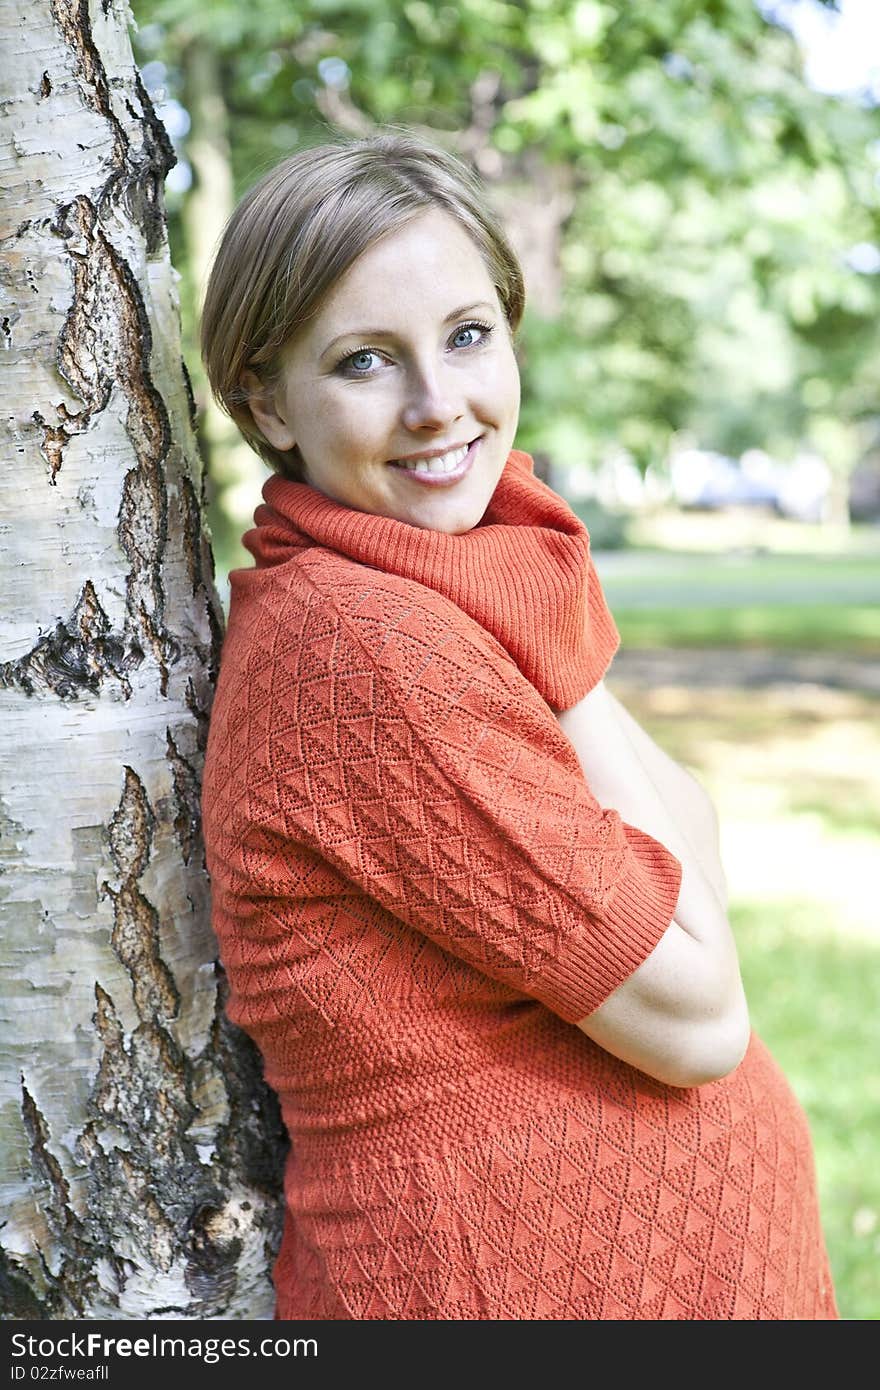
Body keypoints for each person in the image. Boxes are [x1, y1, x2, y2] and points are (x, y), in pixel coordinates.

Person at [198, 127, 838, 1320]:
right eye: (363, 362)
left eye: (466, 335)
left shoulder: (451, 586)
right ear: (264, 402)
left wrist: (529, 607)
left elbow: (687, 834)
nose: (440, 405)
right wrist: (535, 620)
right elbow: (699, 1014)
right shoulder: (359, 646)